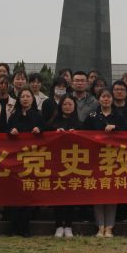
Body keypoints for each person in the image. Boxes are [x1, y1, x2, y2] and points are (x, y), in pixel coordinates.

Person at [84, 88, 127, 237]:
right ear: (99, 99)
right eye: (103, 97)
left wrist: (116, 128)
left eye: (108, 97)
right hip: (97, 159)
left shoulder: (119, 115)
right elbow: (84, 135)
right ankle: (100, 226)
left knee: (111, 192)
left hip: (114, 159)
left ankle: (109, 226)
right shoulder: (92, 116)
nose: (106, 99)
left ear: (112, 99)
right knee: (98, 192)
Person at [6, 88, 44, 237]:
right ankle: (13, 227)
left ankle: (25, 228)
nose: (25, 99)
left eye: (28, 96)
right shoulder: (13, 115)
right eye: (23, 96)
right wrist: (11, 131)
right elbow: (6, 132)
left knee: (28, 193)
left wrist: (39, 130)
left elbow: (45, 131)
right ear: (19, 99)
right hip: (15, 159)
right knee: (14, 193)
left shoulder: (38, 116)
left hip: (31, 159)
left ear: (32, 99)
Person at [46, 95, 82, 238]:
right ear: (60, 106)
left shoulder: (80, 123)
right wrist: (54, 134)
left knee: (70, 195)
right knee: (58, 194)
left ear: (75, 106)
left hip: (73, 164)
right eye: (65, 104)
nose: (67, 106)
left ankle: (68, 226)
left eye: (70, 104)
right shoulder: (52, 123)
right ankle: (58, 225)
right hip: (56, 164)